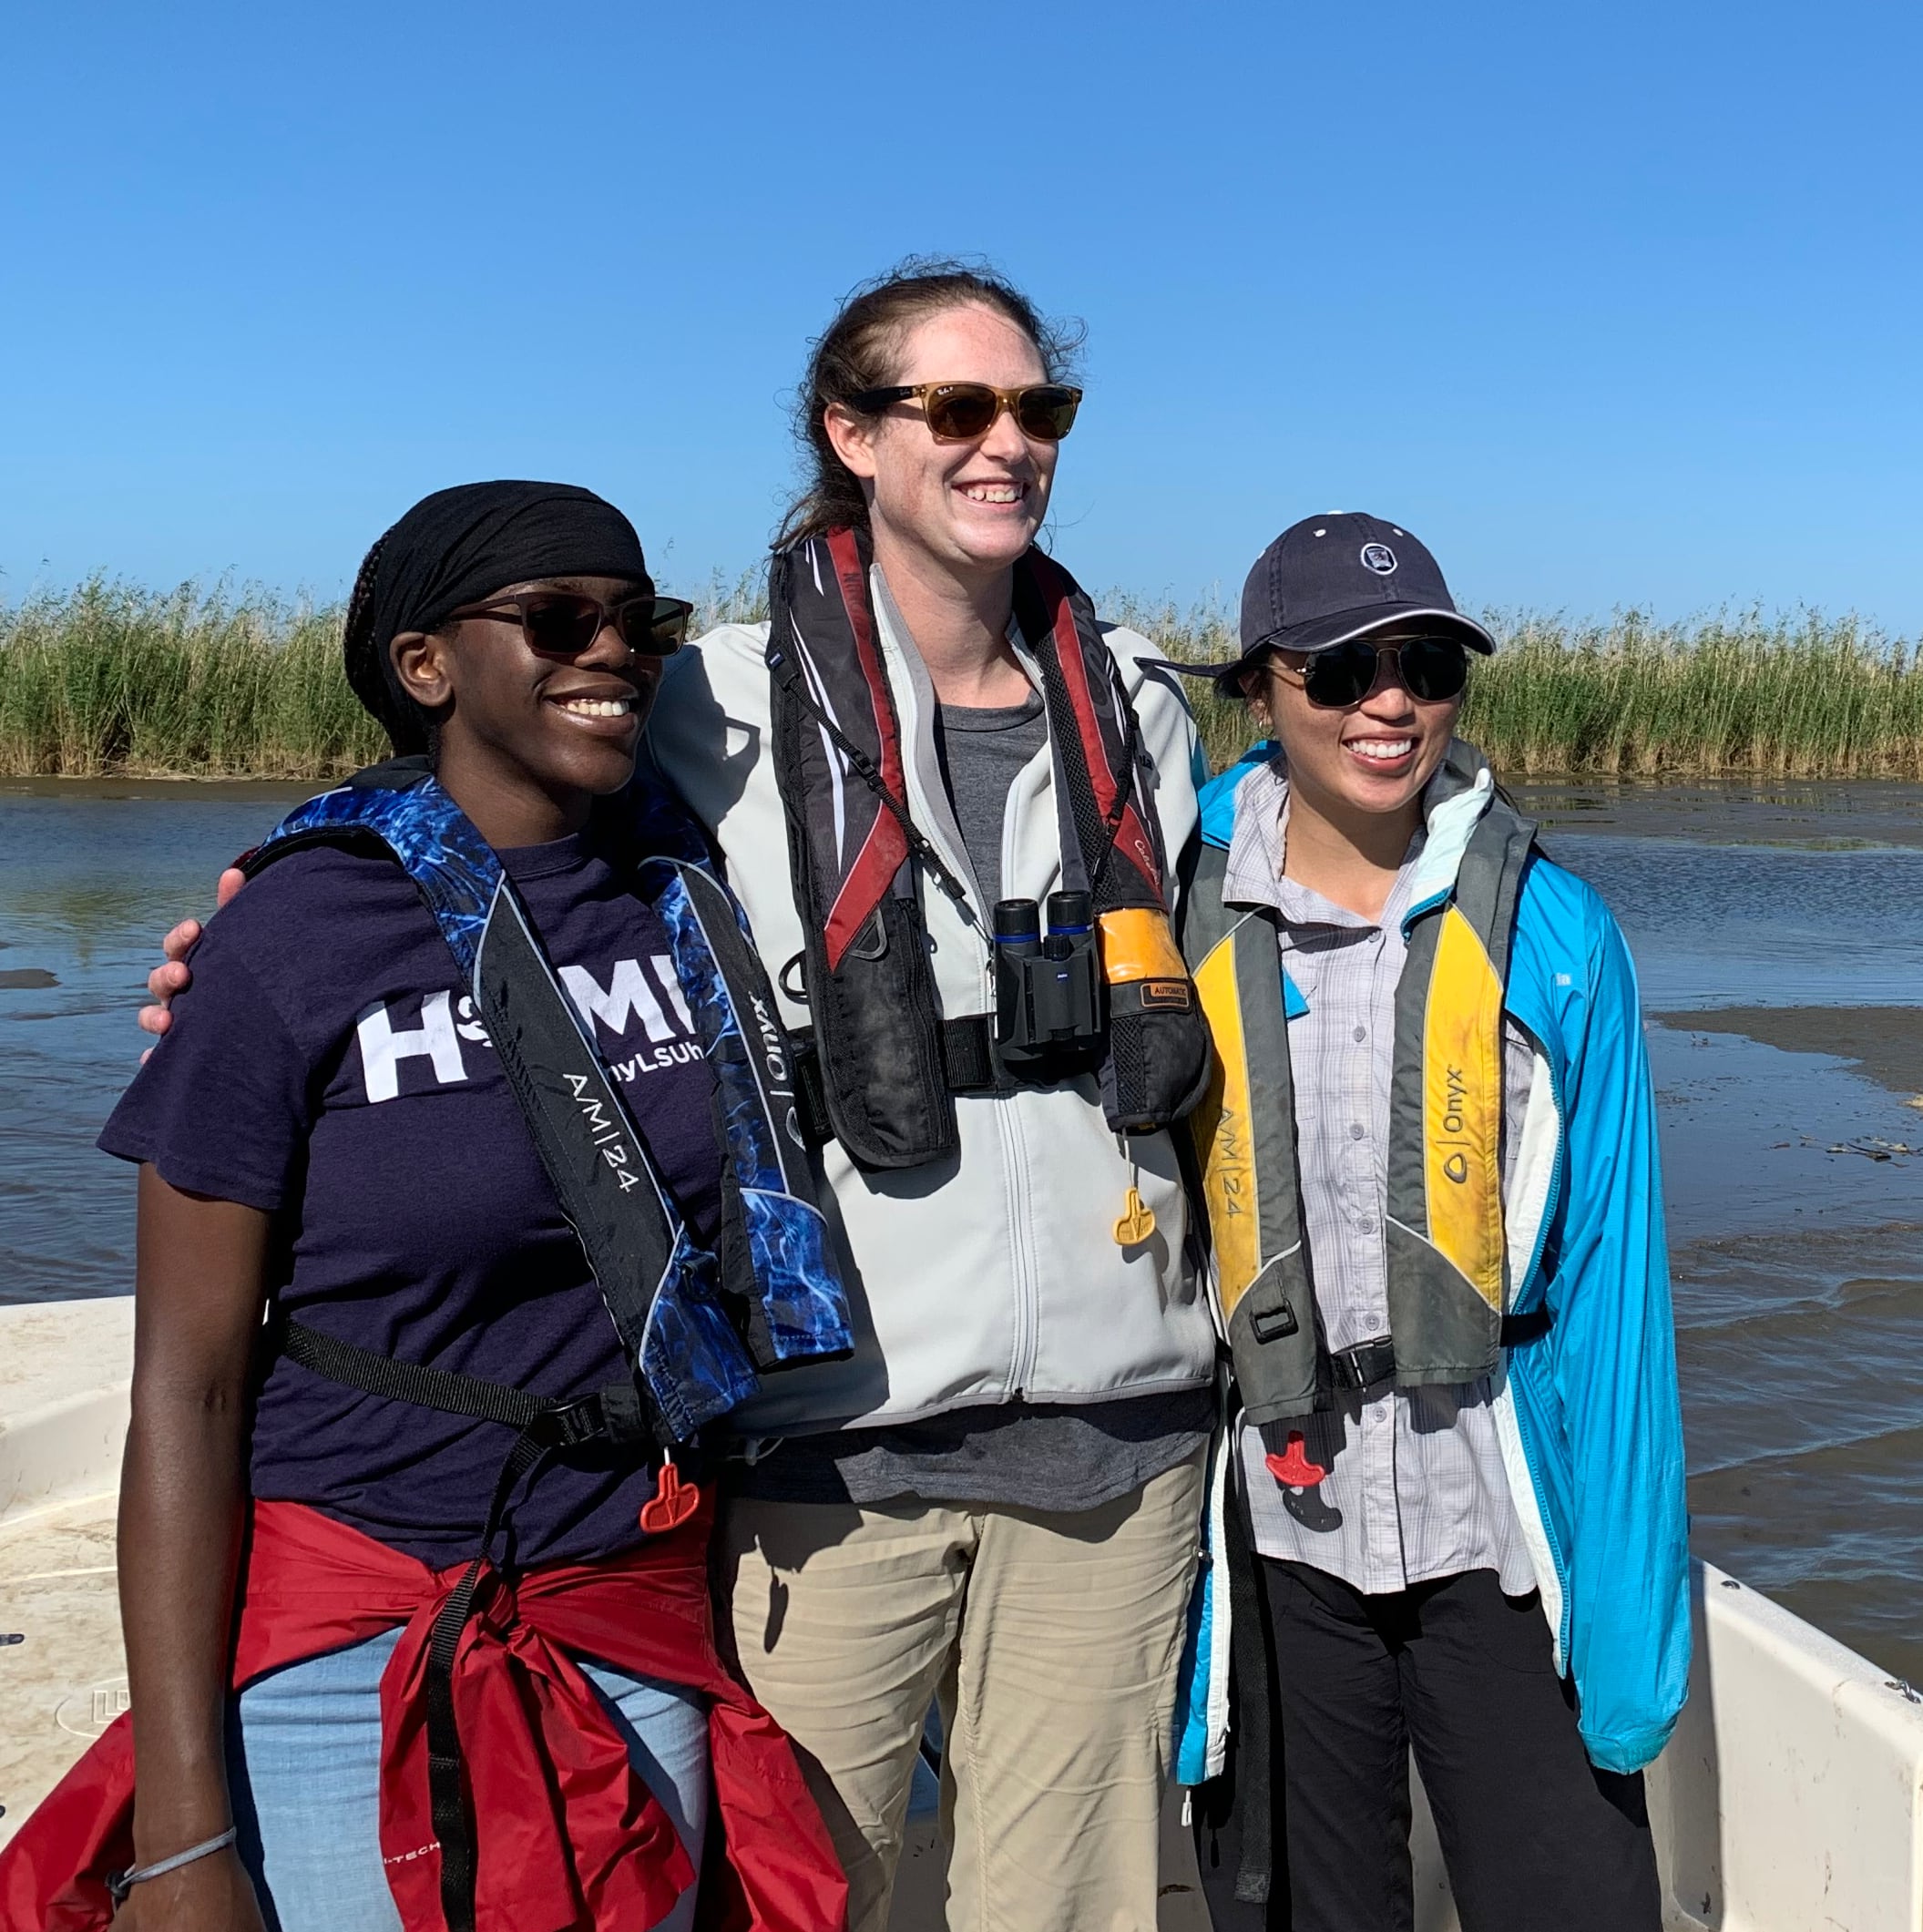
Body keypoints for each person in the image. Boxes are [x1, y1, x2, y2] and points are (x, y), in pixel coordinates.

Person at [137, 264, 1220, 1931]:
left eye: (1038, 409)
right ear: (854, 435)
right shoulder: (707, 699)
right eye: (959, 407)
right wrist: (274, 910)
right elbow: (481, 798)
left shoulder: (1139, 702)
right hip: (833, 1450)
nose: (1007, 442)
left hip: (1121, 1424)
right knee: (784, 1897)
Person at [2, 483, 850, 1932]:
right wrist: (183, 1832)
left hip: (624, 1591)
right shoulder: (294, 933)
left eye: (638, 624)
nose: (612, 654)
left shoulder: (683, 901)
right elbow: (189, 1386)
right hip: (358, 1604)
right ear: (426, 666)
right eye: (559, 620)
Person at [1168, 514, 1691, 1931]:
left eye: (1423, 664)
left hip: (1499, 1537)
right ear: (1262, 689)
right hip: (1285, 1546)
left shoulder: (1560, 939)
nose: (1387, 700)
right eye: (1338, 669)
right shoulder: (1178, 916)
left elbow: (1615, 1297)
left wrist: (1637, 1639)